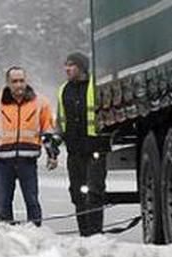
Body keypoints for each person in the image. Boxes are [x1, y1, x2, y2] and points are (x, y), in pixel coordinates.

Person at [0, 66, 60, 226]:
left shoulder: (40, 102)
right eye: (14, 81)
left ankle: (37, 232)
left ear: (26, 81)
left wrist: (52, 154)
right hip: (3, 162)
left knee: (32, 200)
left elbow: (48, 130)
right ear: (7, 83)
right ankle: (7, 235)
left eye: (21, 81)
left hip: (28, 161)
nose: (19, 85)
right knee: (4, 202)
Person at [57, 52, 108, 236]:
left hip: (94, 149)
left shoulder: (95, 86)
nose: (67, 69)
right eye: (66, 65)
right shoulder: (63, 90)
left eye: (72, 65)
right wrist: (56, 140)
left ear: (82, 67)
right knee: (77, 193)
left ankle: (95, 232)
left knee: (93, 192)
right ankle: (84, 233)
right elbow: (61, 120)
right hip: (74, 151)